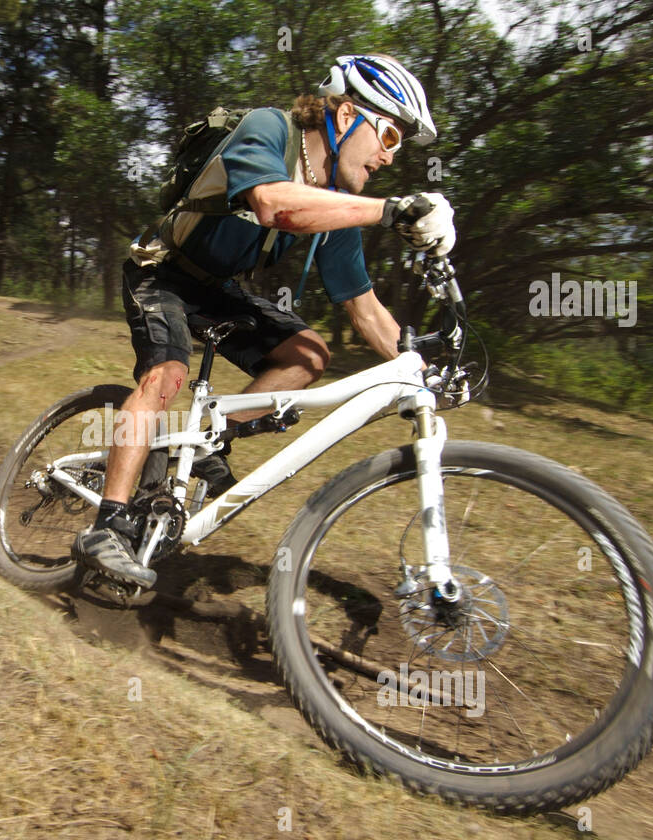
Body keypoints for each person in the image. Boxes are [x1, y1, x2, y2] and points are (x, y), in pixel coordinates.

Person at [73, 54, 457, 589]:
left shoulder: (340, 206)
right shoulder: (269, 128)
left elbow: (364, 308)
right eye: (389, 137)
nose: (390, 159)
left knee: (308, 355)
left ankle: (204, 442)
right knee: (166, 375)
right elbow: (276, 206)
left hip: (218, 290)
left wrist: (424, 368)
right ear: (347, 117)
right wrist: (393, 211)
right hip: (162, 271)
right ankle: (106, 525)